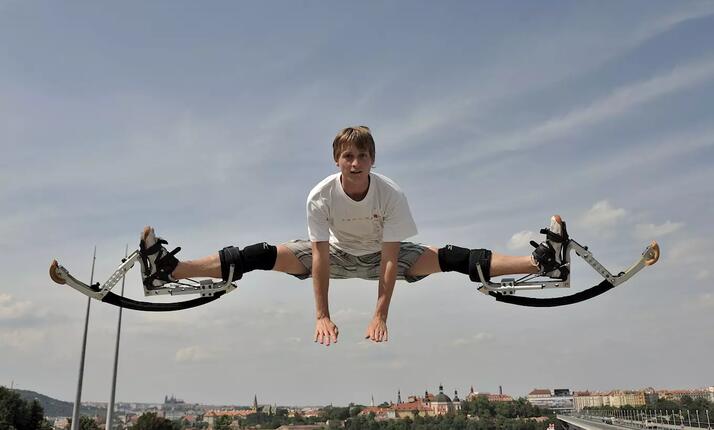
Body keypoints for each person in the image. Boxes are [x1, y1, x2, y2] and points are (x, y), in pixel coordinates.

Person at [138, 126, 567, 347]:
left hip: (382, 255)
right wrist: (321, 315)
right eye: (348, 156)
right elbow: (320, 258)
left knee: (453, 256)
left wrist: (380, 315)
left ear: (372, 159)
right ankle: (170, 270)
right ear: (337, 160)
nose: (356, 162)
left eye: (363, 156)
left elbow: (390, 259)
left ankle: (542, 262)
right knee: (259, 254)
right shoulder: (320, 196)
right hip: (336, 255)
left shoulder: (391, 194)